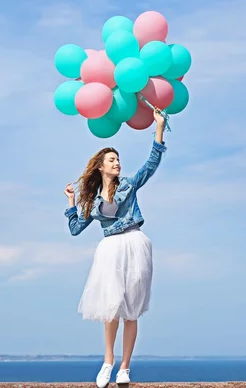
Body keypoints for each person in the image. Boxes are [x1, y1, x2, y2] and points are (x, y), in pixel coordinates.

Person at [63, 109, 167, 387]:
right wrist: (72, 202)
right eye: (112, 160)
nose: (117, 163)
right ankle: (108, 361)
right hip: (110, 248)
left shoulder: (129, 185)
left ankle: (125, 368)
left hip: (134, 242)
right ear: (101, 166)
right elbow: (75, 229)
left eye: (118, 159)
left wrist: (158, 127)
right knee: (111, 307)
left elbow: (151, 164)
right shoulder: (92, 201)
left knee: (131, 309)